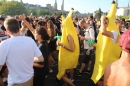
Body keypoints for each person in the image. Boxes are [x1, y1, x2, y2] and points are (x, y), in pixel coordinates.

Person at [0, 18, 44, 86]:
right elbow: (41, 59)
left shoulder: (4, 44)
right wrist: (27, 59)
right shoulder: (30, 40)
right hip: (29, 79)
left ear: (7, 31)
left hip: (15, 82)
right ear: (18, 27)